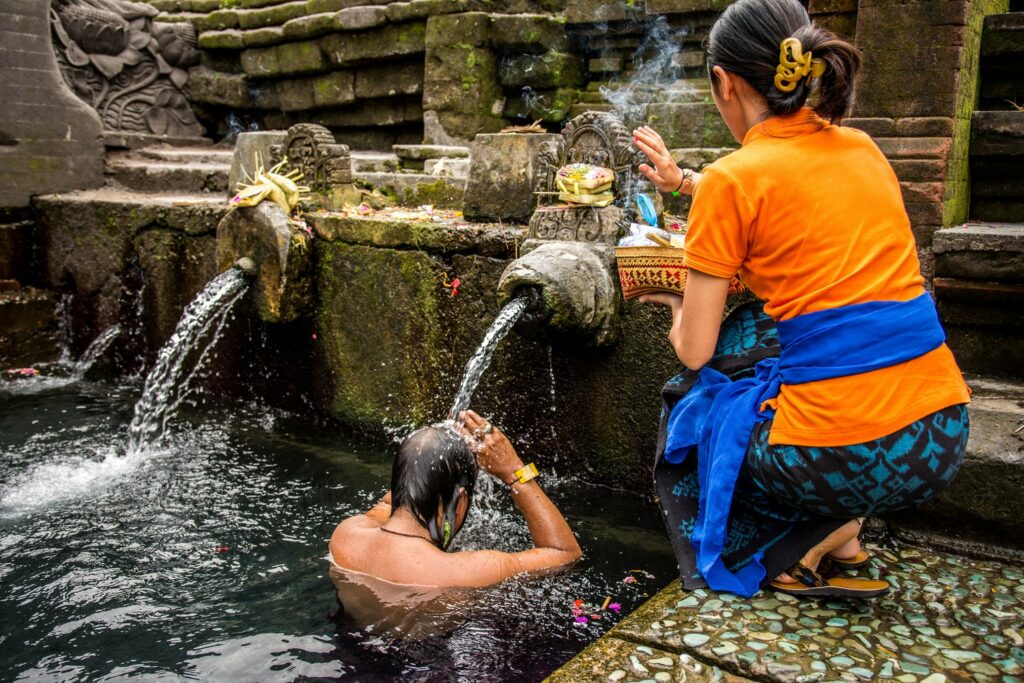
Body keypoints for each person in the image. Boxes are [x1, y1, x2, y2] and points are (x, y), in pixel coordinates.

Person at [632, 0, 970, 598]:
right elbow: (789, 191)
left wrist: (675, 306)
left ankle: (797, 549)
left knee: (695, 403)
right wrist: (685, 181)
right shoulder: (861, 148)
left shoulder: (736, 180)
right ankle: (848, 540)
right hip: (941, 436)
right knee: (771, 340)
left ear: (724, 82)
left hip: (840, 456)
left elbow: (693, 350)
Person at [328, 412, 582, 589]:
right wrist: (513, 470)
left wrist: (435, 444)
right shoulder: (469, 572)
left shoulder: (347, 534)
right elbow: (565, 553)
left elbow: (394, 498)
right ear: (460, 501)